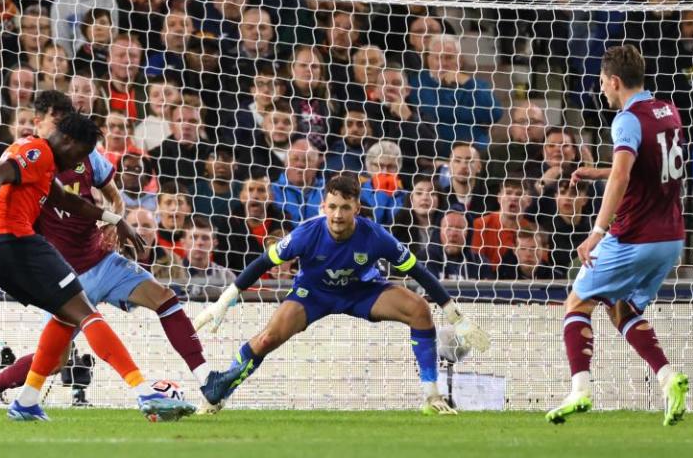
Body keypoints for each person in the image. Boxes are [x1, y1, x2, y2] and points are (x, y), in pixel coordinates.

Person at [0, 91, 209, 420]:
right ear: (61, 136)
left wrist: (116, 219)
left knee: (66, 320)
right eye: (79, 152)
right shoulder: (37, 151)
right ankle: (143, 391)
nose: (79, 160)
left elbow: (66, 201)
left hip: (0, 255)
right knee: (87, 314)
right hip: (16, 244)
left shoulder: (41, 159)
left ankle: (19, 399)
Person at [193, 173, 490, 415]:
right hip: (313, 294)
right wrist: (224, 301)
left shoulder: (376, 236)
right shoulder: (305, 234)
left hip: (362, 291)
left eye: (345, 208)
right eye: (332, 207)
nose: (337, 215)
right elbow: (262, 263)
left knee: (419, 310)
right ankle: (218, 393)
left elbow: (419, 272)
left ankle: (432, 397)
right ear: (323, 206)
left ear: (356, 209)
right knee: (267, 338)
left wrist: (454, 314)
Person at [546, 44, 688, 427]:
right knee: (621, 307)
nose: (602, 90)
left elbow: (625, 176)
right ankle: (668, 377)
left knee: (576, 303)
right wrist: (597, 173)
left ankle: (580, 390)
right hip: (671, 238)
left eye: (602, 83)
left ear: (613, 80)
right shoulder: (667, 111)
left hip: (634, 236)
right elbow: (644, 167)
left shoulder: (626, 120)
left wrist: (596, 231)